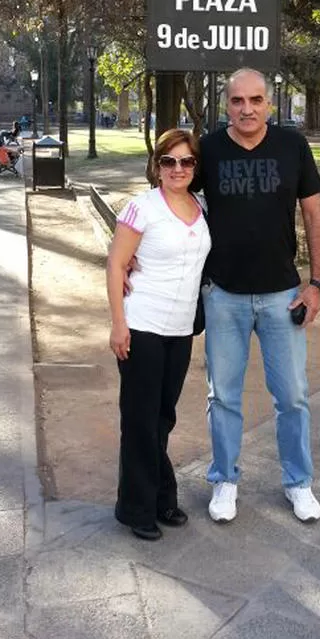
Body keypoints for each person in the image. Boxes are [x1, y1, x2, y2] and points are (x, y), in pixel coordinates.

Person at [197, 68, 320, 525]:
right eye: (237, 101)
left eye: (256, 100)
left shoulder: (292, 146)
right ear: (226, 104)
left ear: (269, 104)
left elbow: (314, 214)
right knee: (223, 396)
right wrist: (134, 251)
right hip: (224, 295)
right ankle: (225, 480)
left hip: (283, 296)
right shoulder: (208, 149)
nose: (246, 109)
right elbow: (177, 200)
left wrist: (317, 283)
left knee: (292, 396)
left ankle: (298, 483)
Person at [106, 128, 211, 541]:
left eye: (186, 161)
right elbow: (116, 264)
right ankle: (136, 507)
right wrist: (119, 323)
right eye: (169, 161)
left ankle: (162, 497)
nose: (178, 169)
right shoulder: (141, 208)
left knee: (162, 418)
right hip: (142, 326)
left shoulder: (202, 208)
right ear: (157, 166)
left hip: (180, 328)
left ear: (195, 167)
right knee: (139, 419)